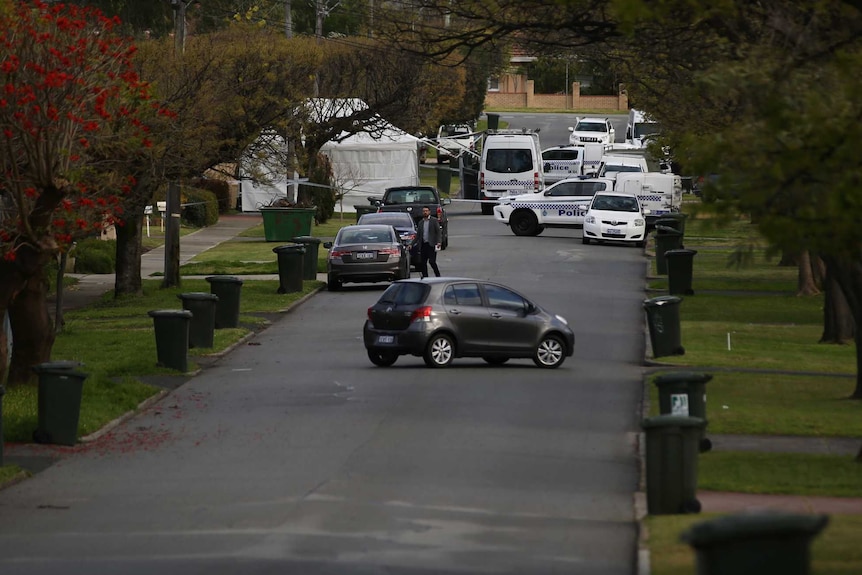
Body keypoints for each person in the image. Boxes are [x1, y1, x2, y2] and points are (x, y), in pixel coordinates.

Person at [416, 205, 441, 278]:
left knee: (432, 262)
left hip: (432, 244)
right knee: (423, 263)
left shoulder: (434, 220)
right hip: (424, 245)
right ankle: (425, 277)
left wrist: (439, 241)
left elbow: (438, 232)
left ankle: (438, 276)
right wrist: (411, 244)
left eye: (426, 211)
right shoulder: (421, 223)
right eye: (424, 211)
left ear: (429, 212)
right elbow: (418, 235)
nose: (425, 212)